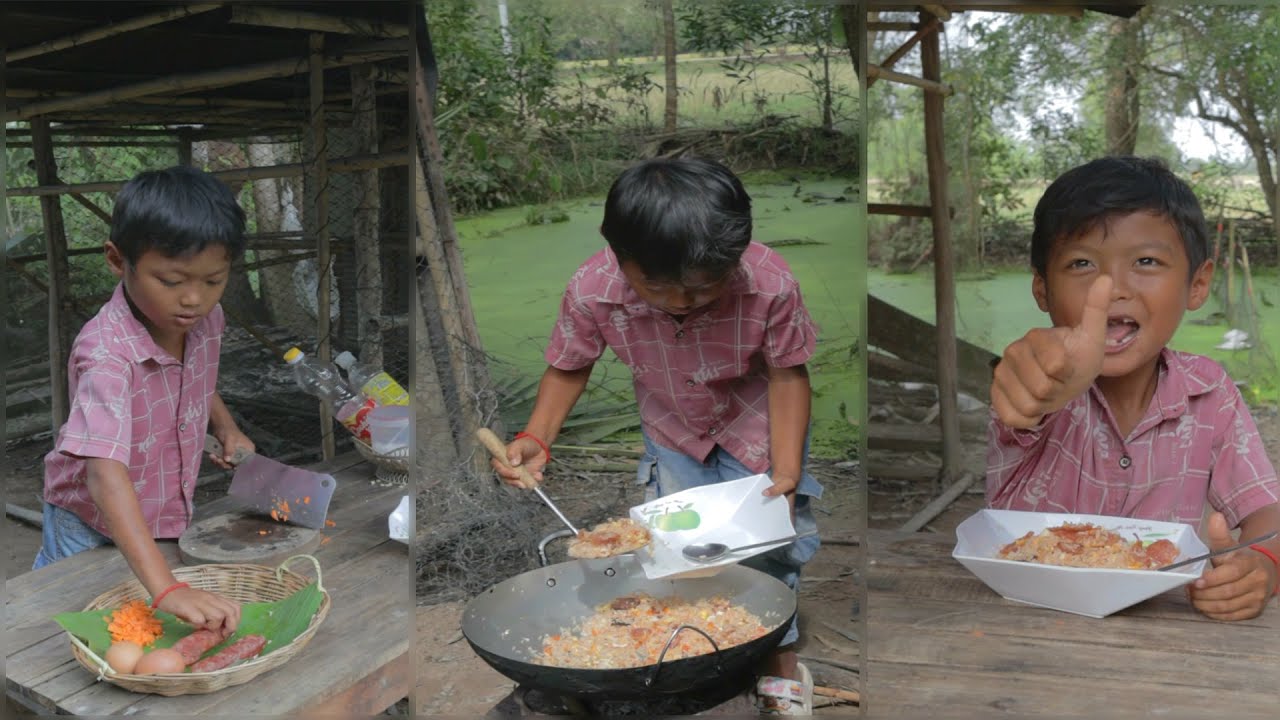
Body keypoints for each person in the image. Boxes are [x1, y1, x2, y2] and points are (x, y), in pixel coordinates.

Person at [490, 157, 821, 714]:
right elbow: (570, 365)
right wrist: (538, 438)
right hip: (673, 431)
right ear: (618, 253)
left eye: (706, 286)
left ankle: (779, 669)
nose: (685, 301)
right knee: (673, 551)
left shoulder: (771, 283)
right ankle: (690, 648)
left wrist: (787, 471)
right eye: (661, 286)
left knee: (775, 550)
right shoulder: (592, 290)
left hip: (760, 429)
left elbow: (789, 373)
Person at [988, 155, 1280, 620]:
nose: (1113, 287)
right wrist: (1031, 384)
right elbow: (1023, 389)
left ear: (1197, 284)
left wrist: (1262, 565)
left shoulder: (1210, 393)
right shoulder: (1041, 378)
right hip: (1027, 626)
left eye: (1146, 261)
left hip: (1161, 637)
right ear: (1042, 290)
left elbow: (1268, 511)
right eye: (1082, 263)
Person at [35, 165, 256, 635]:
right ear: (118, 260)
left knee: (141, 630)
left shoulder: (203, 321)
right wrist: (169, 587)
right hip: (89, 524)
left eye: (214, 280)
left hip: (161, 515)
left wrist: (225, 427)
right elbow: (104, 475)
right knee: (66, 636)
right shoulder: (107, 356)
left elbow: (194, 376)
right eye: (172, 281)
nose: (193, 299)